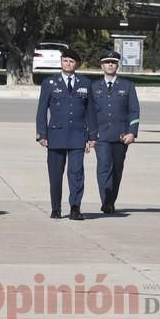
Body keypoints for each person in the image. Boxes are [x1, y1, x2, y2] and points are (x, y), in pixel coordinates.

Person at [36, 48, 97, 220]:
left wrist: (92, 136)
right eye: (65, 61)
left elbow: (90, 111)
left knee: (76, 173)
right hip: (55, 135)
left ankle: (75, 207)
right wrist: (41, 134)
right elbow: (41, 110)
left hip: (78, 135)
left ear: (76, 64)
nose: (67, 64)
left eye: (71, 61)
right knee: (55, 174)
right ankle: (56, 208)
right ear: (61, 62)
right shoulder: (50, 83)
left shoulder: (85, 83)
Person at [90, 50, 140, 214]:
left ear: (117, 65)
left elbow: (134, 111)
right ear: (102, 65)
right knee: (104, 166)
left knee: (117, 169)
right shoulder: (94, 86)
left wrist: (132, 132)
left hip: (121, 136)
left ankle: (111, 201)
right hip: (100, 135)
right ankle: (105, 200)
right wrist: (89, 134)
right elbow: (88, 112)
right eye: (107, 62)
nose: (110, 65)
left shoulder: (127, 86)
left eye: (113, 62)